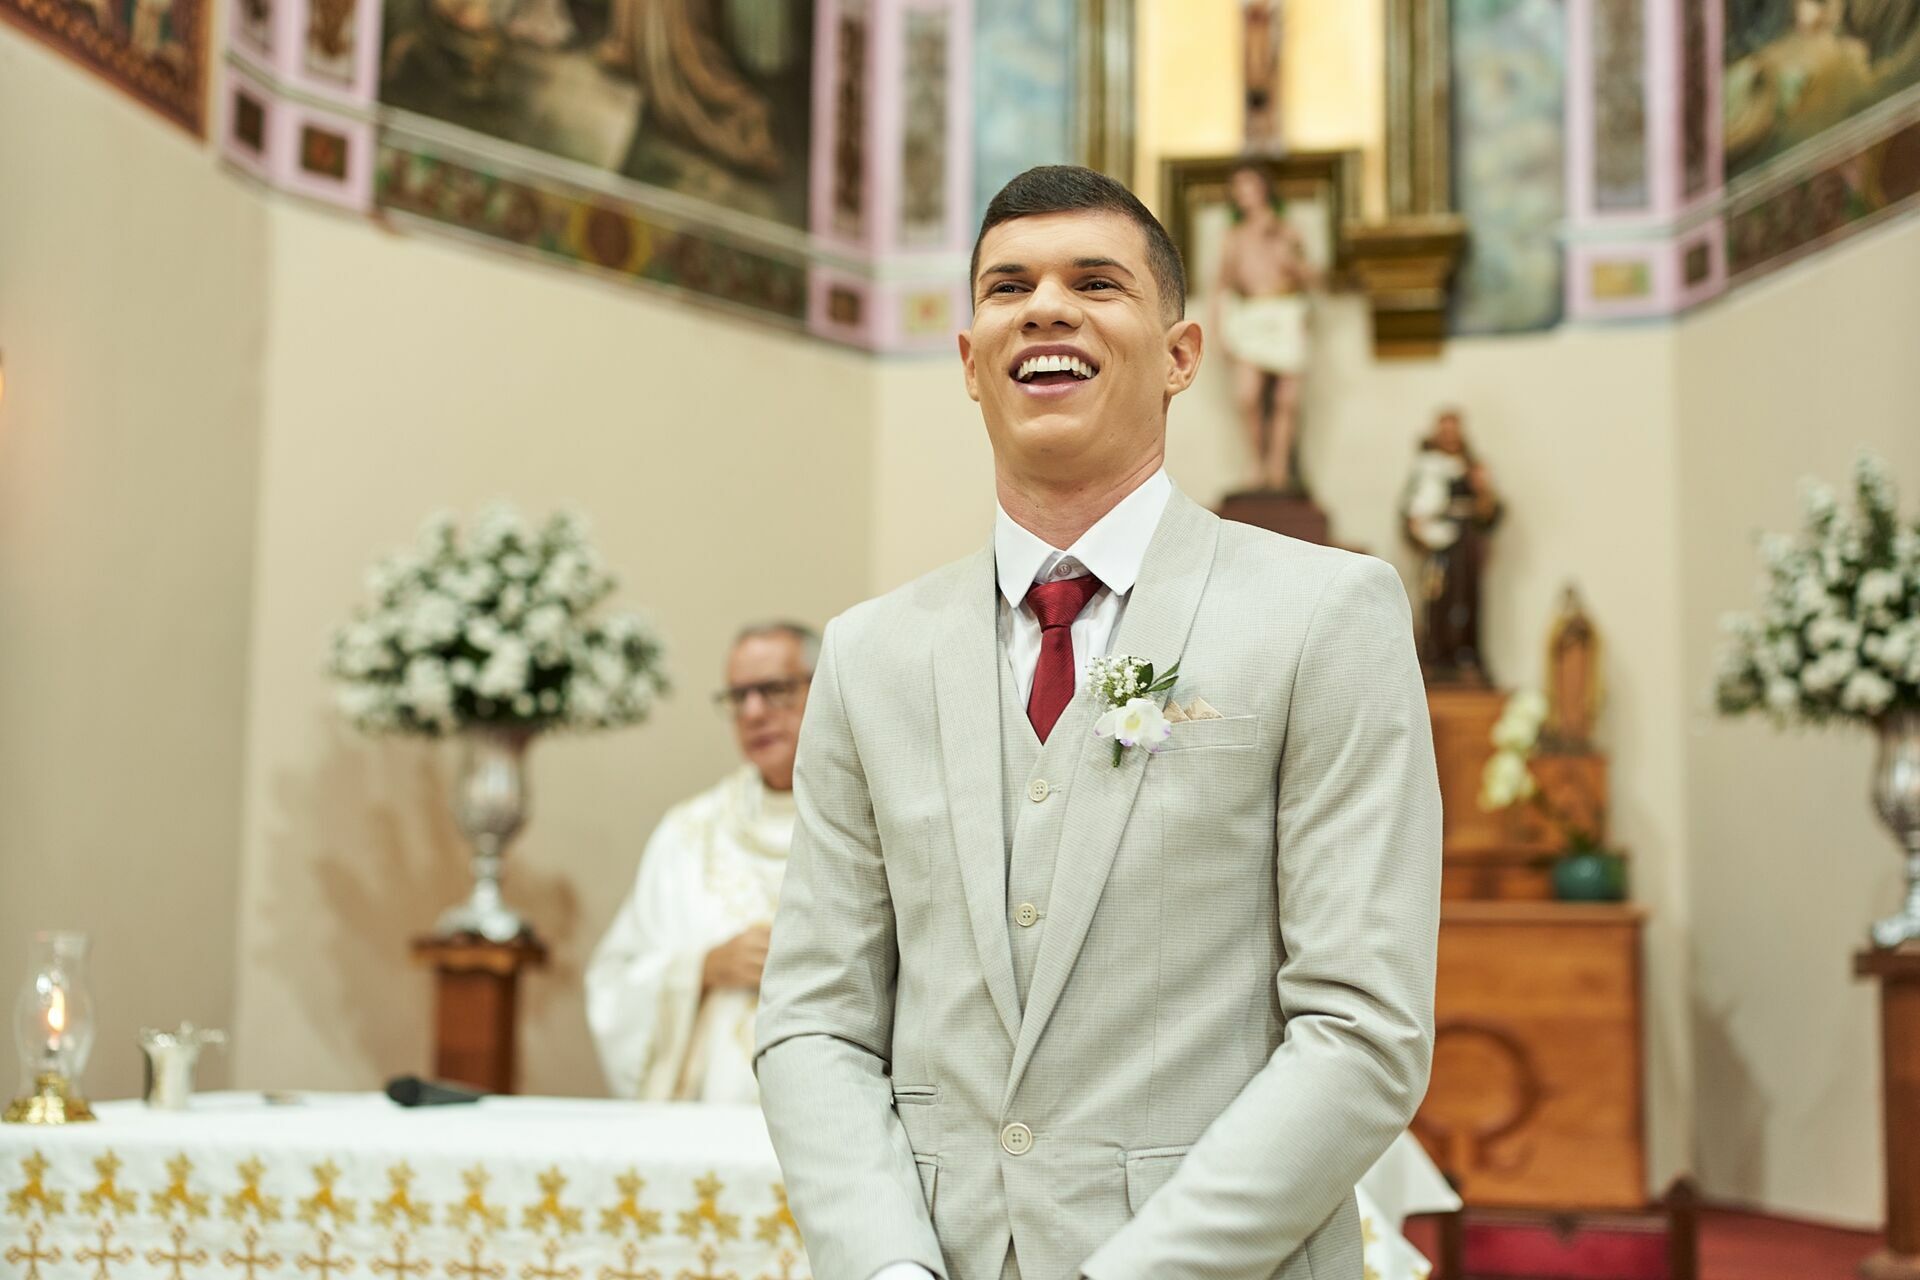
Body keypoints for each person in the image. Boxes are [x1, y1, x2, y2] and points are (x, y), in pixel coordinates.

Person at [756, 165, 1441, 1280]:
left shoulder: (1325, 613)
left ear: (1181, 354)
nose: (1045, 308)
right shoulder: (868, 655)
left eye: (1095, 282)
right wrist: (888, 1265)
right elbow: (814, 1016)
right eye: (1008, 286)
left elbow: (1363, 1031)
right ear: (969, 360)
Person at [584, 621, 815, 1102]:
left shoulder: (872, 822)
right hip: (710, 1115)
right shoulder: (688, 834)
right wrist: (703, 969)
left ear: (826, 689)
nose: (753, 712)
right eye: (739, 696)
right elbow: (612, 985)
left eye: (775, 690)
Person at [1209, 164, 1321, 493]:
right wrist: (1217, 328)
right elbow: (1222, 285)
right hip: (1252, 315)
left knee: (1287, 399)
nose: (1243, 193)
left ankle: (1278, 468)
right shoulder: (1234, 236)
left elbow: (1313, 278)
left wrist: (1291, 260)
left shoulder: (1286, 230)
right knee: (1247, 395)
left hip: (1285, 311)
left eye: (1249, 185)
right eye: (1237, 187)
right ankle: (1256, 463)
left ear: (1264, 189)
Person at [1400, 409, 1502, 685]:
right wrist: (1418, 530)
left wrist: (1483, 491)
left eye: (1453, 430)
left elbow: (1491, 512)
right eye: (1443, 431)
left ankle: (1465, 656)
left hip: (1465, 546)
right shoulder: (1426, 467)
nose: (1449, 436)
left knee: (1465, 600)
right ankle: (1436, 657)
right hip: (1438, 547)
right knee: (1438, 599)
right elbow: (1410, 508)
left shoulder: (1471, 467)